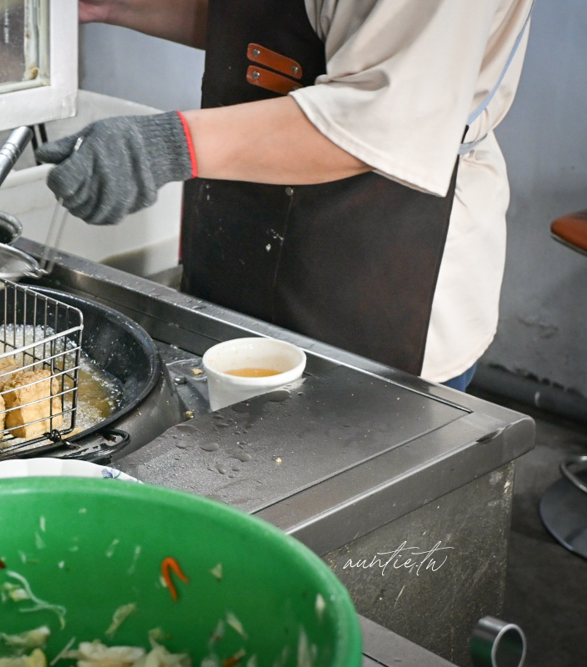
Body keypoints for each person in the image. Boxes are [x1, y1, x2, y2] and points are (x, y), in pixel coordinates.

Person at [35, 0, 534, 392]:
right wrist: (113, 5)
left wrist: (162, 147)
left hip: (385, 266)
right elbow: (290, 18)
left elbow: (383, 115)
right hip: (250, 234)